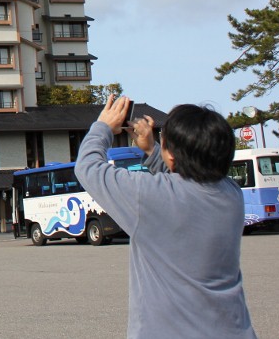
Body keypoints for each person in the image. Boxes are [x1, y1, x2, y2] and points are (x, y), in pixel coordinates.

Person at [75, 94, 257, 339]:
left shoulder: (146, 195)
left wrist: (103, 127)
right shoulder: (231, 194)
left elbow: (88, 167)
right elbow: (184, 180)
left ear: (170, 154)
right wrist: (152, 150)